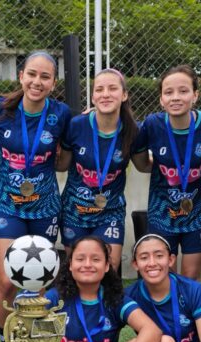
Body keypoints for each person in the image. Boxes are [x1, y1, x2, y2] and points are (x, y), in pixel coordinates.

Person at [0, 51, 72, 342]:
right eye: (32, 74)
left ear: (54, 83)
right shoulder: (1, 108)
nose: (37, 82)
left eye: (45, 77)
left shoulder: (61, 114)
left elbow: (63, 161)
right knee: (7, 280)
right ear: (21, 76)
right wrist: (12, 178)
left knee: (38, 282)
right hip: (8, 204)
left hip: (45, 206)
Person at [132, 65, 201, 279]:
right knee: (163, 276)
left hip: (199, 212)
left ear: (195, 95)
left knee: (190, 277)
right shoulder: (152, 125)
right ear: (161, 99)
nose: (175, 97)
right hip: (162, 213)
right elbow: (142, 164)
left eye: (183, 91)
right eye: (168, 92)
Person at [57, 68, 138, 271]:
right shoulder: (77, 125)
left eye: (112, 89)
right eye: (99, 89)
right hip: (74, 210)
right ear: (93, 97)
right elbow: (62, 164)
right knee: (78, 270)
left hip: (110, 212)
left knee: (109, 268)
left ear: (124, 95)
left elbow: (144, 164)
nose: (105, 94)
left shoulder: (133, 131)